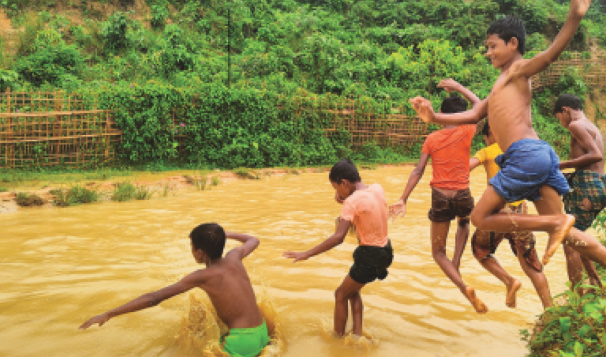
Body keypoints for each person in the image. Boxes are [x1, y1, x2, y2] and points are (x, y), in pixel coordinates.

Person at [408, 0, 606, 312]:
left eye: (492, 46)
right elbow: (474, 115)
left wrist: (574, 18)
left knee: (481, 219)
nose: (488, 53)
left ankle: (554, 223)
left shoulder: (518, 71)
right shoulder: (501, 82)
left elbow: (549, 55)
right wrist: (434, 118)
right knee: (571, 235)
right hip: (540, 156)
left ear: (512, 44)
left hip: (524, 155)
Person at [79, 224, 270, 357]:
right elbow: (254, 239)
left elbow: (154, 298)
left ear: (200, 252)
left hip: (242, 343)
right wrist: (225, 234)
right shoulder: (235, 256)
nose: (192, 250)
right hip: (262, 332)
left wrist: (110, 313)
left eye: (192, 246)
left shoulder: (202, 276)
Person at [390, 85, 488, 314]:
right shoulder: (468, 130)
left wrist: (403, 198)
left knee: (437, 252)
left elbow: (418, 170)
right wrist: (457, 86)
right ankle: (456, 263)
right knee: (464, 222)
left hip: (441, 197)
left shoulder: (432, 139)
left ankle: (463, 286)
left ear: (442, 115)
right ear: (463, 115)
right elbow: (479, 105)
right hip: (463, 193)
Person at [283, 159, 393, 337]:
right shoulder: (376, 188)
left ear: (344, 182)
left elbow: (338, 237)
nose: (336, 192)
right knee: (352, 290)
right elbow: (364, 206)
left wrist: (307, 253)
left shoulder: (351, 202)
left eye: (336, 188)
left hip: (369, 255)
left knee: (340, 294)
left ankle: (337, 339)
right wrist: (343, 198)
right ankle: (357, 336)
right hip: (386, 250)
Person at [469, 119, 553, 310]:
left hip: (496, 212)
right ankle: (550, 308)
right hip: (520, 212)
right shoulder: (520, 150)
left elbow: (468, 166)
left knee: (480, 251)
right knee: (530, 262)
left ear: (488, 135)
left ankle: (509, 281)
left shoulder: (488, 151)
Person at [554, 93, 606, 292]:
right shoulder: (590, 124)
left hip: (589, 187)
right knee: (578, 236)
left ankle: (577, 296)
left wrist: (561, 165)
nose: (560, 122)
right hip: (600, 185)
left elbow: (595, 155)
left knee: (568, 239)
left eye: (558, 117)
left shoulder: (576, 125)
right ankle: (595, 281)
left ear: (565, 111)